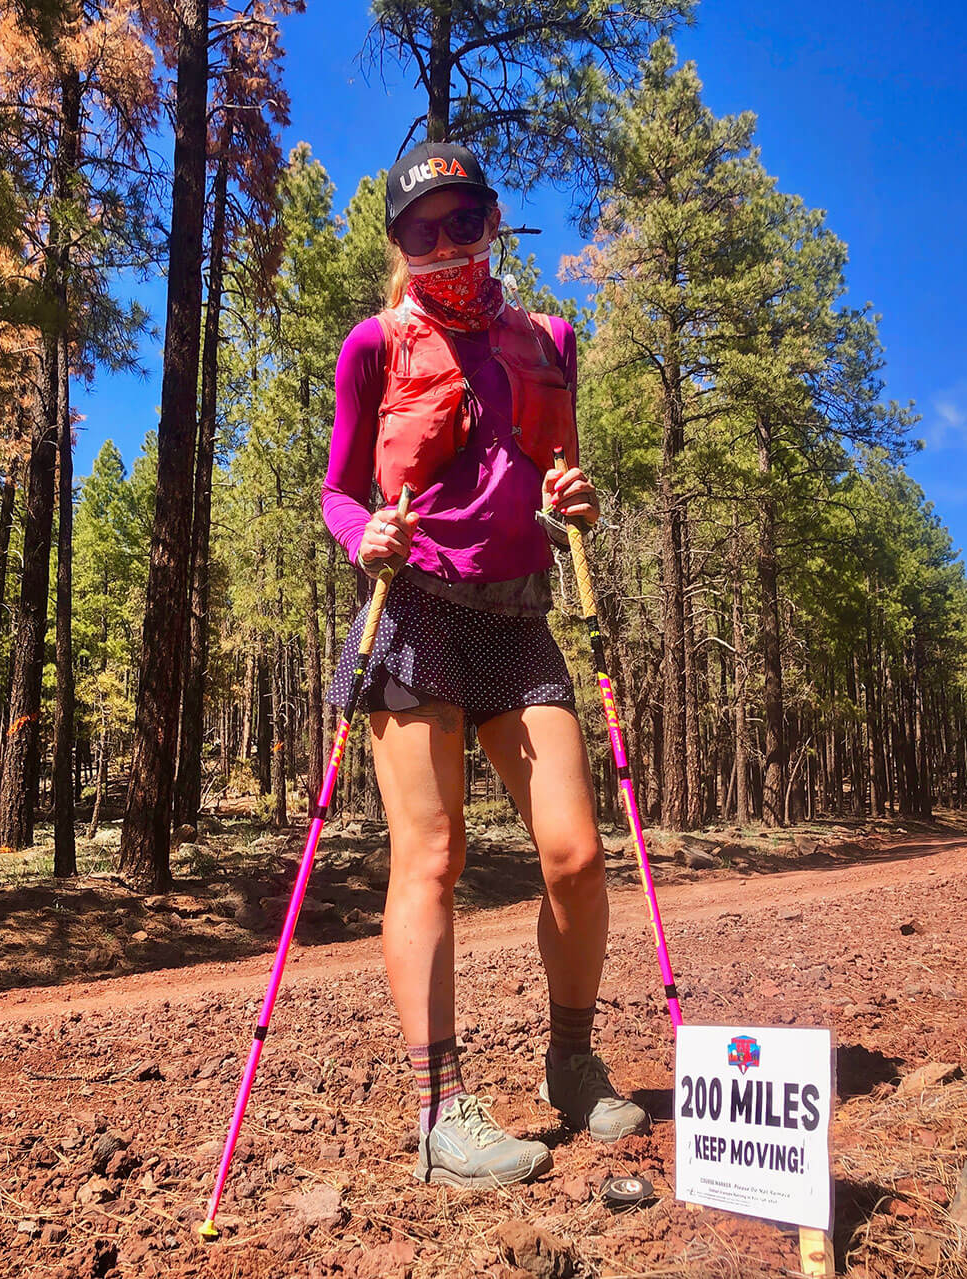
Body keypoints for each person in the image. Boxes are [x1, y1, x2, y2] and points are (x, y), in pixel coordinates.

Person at [322, 140, 649, 1188]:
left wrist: (576, 506)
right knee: (431, 857)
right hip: (413, 610)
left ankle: (570, 1056)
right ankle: (439, 1110)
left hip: (518, 620)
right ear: (401, 244)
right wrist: (359, 533)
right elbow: (337, 490)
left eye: (465, 220)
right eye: (427, 228)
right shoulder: (373, 346)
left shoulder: (547, 338)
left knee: (577, 854)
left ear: (493, 221)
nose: (449, 242)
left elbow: (558, 475)